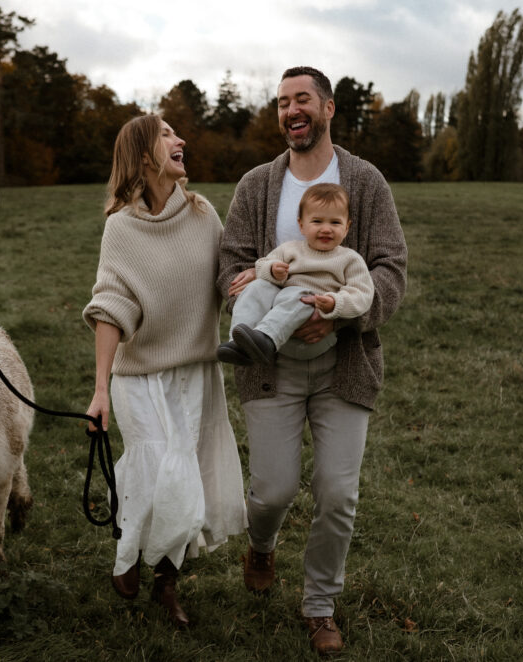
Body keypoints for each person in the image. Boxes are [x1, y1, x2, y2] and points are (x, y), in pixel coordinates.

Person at [217, 66, 407, 655]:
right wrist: (243, 286)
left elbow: (390, 268)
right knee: (272, 490)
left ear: (328, 108)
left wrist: (343, 315)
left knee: (337, 493)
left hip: (343, 363)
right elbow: (230, 264)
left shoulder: (366, 182)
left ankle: (320, 605)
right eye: (281, 103)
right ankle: (263, 546)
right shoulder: (256, 185)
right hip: (269, 364)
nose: (291, 111)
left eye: (302, 100)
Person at [84, 114, 247, 628]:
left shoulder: (203, 215)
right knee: (155, 468)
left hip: (196, 372)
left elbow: (226, 282)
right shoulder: (120, 228)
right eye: (169, 134)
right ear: (145, 154)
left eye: (180, 133)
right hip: (138, 377)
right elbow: (110, 305)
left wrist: (254, 288)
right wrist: (100, 390)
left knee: (186, 475)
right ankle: (129, 550)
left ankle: (167, 582)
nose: (182, 140)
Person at [216, 182, 373, 366]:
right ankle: (240, 343)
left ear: (346, 227)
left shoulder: (349, 259)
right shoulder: (289, 250)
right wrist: (273, 270)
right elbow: (261, 266)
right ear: (301, 225)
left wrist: (335, 303)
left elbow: (362, 293)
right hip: (281, 326)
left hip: (314, 334)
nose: (326, 229)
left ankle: (265, 339)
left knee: (299, 295)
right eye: (317, 221)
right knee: (258, 286)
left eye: (335, 222)